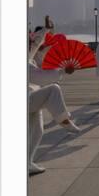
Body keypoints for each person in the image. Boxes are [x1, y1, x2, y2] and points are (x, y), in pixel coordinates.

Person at [28, 26, 80, 175]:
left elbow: (36, 44)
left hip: (32, 97)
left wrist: (46, 29)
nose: (33, 44)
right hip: (27, 99)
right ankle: (63, 119)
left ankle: (27, 163)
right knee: (53, 89)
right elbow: (41, 76)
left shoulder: (28, 56)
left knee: (37, 131)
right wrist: (63, 71)